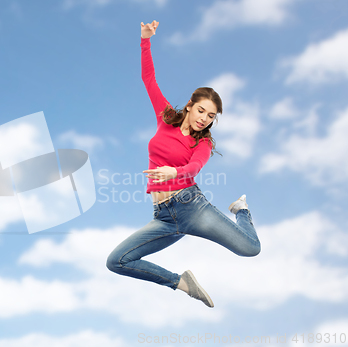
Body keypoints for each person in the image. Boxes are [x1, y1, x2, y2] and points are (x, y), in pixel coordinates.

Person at [106, 20, 261, 308]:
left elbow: (194, 168)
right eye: (201, 110)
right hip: (163, 217)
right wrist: (145, 40)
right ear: (190, 105)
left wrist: (174, 171)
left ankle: (241, 210)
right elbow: (149, 79)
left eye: (211, 115)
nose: (204, 118)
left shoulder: (202, 143)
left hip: (191, 207)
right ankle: (180, 282)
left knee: (251, 248)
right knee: (117, 261)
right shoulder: (165, 118)